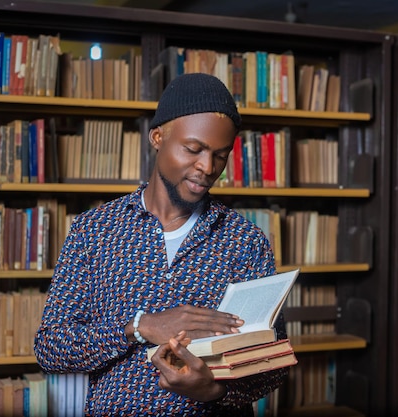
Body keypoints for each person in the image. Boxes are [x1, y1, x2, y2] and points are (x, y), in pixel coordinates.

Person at [34, 73, 289, 416]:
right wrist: (140, 327)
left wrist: (212, 390)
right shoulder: (94, 231)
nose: (206, 167)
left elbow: (272, 363)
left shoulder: (246, 242)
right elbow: (51, 349)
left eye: (220, 155)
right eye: (193, 149)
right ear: (158, 137)